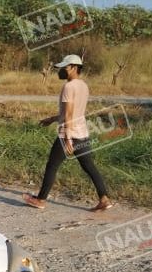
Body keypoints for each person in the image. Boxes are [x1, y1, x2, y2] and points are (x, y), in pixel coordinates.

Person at [23, 54, 114, 212]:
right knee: (90, 167)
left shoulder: (68, 87)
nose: (60, 70)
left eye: (64, 68)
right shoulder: (84, 86)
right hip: (83, 134)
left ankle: (40, 200)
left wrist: (67, 139)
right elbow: (74, 112)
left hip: (69, 135)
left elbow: (69, 115)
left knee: (52, 166)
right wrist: (52, 119)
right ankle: (104, 199)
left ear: (74, 68)